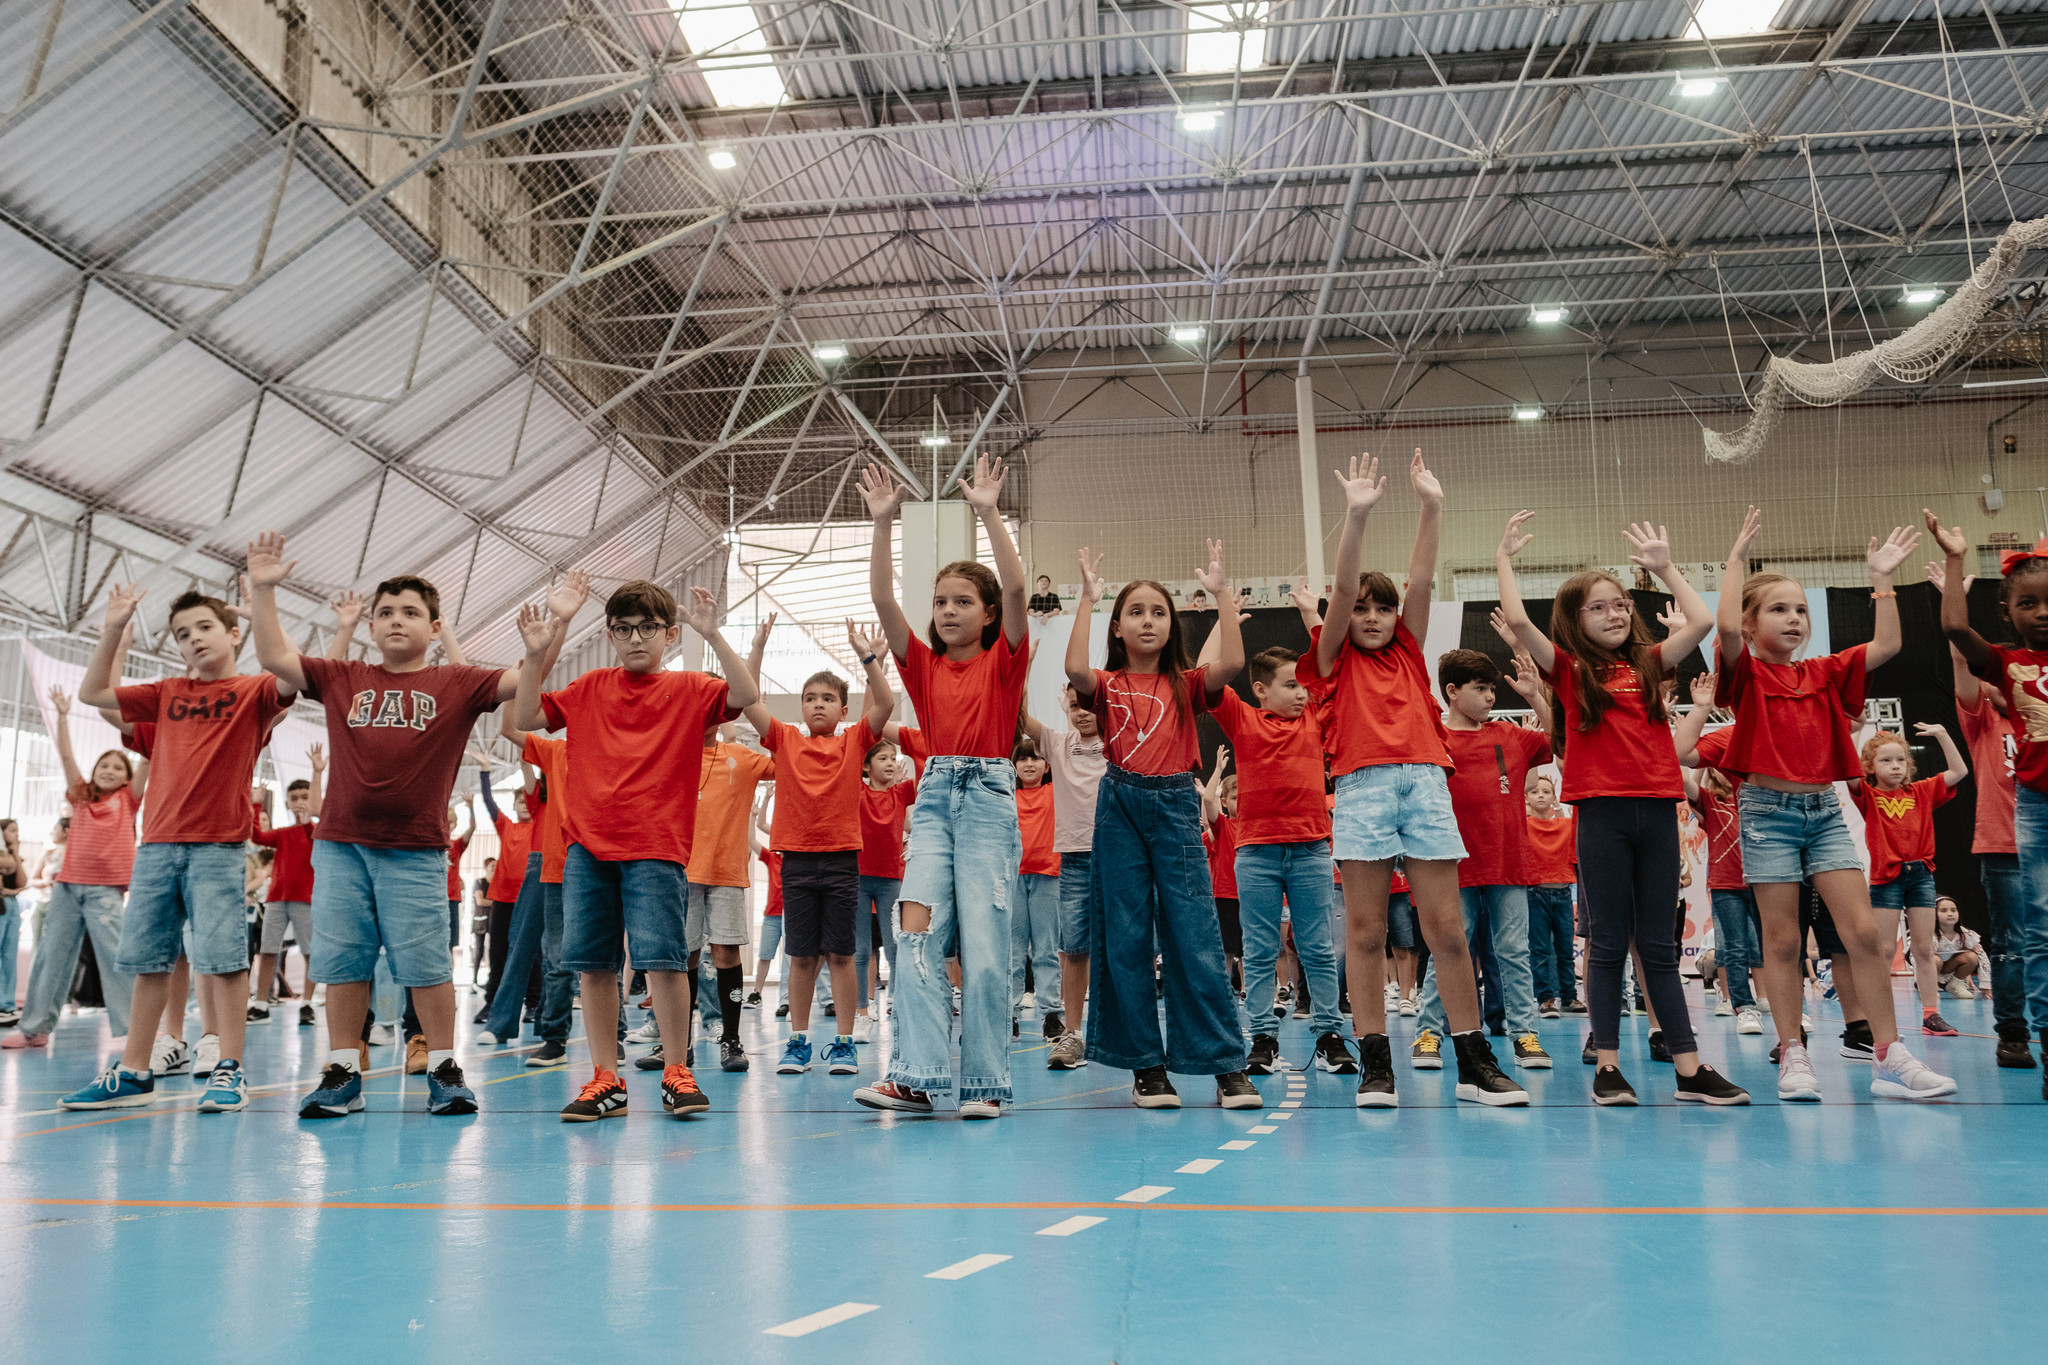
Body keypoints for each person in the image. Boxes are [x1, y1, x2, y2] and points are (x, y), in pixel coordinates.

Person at [249, 533, 561, 1119]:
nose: (396, 620)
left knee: (425, 964)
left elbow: (525, 687)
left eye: (410, 613)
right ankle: (342, 1069)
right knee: (342, 960)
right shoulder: (343, 676)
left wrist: (546, 642)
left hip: (416, 851)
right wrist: (264, 590)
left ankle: (443, 1066)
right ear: (371, 626)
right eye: (386, 612)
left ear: (434, 625)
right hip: (341, 846)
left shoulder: (455, 684)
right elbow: (274, 659)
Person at [1692, 506, 1950, 1102]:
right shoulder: (1747, 676)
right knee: (1780, 941)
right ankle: (1794, 1053)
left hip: (1824, 814)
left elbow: (1888, 642)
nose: (1794, 618)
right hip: (1766, 815)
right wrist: (1734, 562)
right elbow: (1725, 634)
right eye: (1779, 609)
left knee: (1865, 936)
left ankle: (1888, 1055)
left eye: (1801, 609)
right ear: (1753, 623)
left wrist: (1881, 579)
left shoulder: (1826, 671)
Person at [1497, 504, 1751, 1107]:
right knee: (1609, 942)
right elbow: (1516, 618)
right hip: (1603, 816)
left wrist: (1665, 569)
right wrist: (1504, 559)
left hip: (1659, 811)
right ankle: (1607, 1066)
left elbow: (1699, 621)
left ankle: (1688, 1068)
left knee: (1659, 946)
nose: (1613, 613)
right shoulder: (1570, 670)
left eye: (1620, 604)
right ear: (1574, 619)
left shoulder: (1647, 662)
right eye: (1598, 606)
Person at [1306, 452, 1522, 1108]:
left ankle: (1472, 1057)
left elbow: (1422, 580)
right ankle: (1377, 1059)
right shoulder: (1327, 659)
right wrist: (1357, 516)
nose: (1372, 615)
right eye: (1362, 608)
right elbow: (1342, 592)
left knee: (1447, 928)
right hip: (1363, 785)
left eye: (1383, 608)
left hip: (1425, 783)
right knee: (1367, 930)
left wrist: (1431, 505)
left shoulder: (1405, 649)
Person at [513, 574, 759, 1122]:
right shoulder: (591, 687)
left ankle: (677, 1069)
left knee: (665, 961)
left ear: (669, 634)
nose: (635, 639)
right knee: (594, 966)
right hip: (586, 850)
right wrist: (541, 648)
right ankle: (606, 1077)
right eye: (622, 630)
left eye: (648, 628)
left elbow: (745, 696)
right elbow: (524, 717)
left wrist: (714, 634)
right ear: (610, 635)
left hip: (656, 848)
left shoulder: (692, 690)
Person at [57, 586, 290, 1112]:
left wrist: (266, 607)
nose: (193, 639)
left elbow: (295, 674)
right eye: (183, 634)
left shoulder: (253, 690)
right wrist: (114, 628)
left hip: (218, 847)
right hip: (158, 846)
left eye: (204, 627)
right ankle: (135, 1070)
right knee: (150, 960)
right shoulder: (166, 693)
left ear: (233, 634)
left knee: (225, 959)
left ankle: (230, 1068)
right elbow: (95, 695)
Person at [852, 455, 1032, 1120]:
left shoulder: (1004, 663)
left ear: (987, 615)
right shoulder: (923, 667)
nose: (948, 610)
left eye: (963, 601)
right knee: (916, 934)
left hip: (986, 796)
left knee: (985, 948)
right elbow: (881, 599)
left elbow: (1016, 591)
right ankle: (918, 1075)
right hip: (933, 803)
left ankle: (985, 1082)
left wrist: (987, 512)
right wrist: (882, 525)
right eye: (940, 601)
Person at [1057, 536, 1261, 1112]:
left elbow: (1236, 664)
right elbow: (1074, 666)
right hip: (1119, 804)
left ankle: (1225, 1065)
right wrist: (1088, 599)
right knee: (1123, 937)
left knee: (1195, 937)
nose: (1147, 621)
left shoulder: (1187, 683)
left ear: (1172, 626)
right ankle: (1147, 1067)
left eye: (1158, 612)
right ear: (1118, 627)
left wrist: (1221, 595)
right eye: (1135, 612)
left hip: (1174, 806)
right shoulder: (1105, 684)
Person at [742, 621, 892, 1080]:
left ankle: (845, 1043)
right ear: (801, 708)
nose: (818, 704)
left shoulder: (853, 742)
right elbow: (748, 700)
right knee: (802, 956)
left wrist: (870, 660)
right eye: (811, 698)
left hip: (844, 860)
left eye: (827, 698)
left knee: (843, 955)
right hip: (798, 862)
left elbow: (884, 703)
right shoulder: (785, 739)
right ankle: (799, 1041)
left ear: (843, 709)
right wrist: (758, 646)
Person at [1210, 643, 1353, 1078]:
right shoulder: (1242, 719)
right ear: (1260, 690)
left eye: (1303, 686)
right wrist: (1222, 610)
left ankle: (1330, 1036)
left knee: (1318, 948)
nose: (1301, 695)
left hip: (1311, 849)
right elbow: (1205, 675)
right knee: (1259, 949)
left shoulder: (1314, 717)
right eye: (1290, 686)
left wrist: (1313, 614)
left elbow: (1329, 666)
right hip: (1256, 852)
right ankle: (1263, 1038)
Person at [1419, 648, 1553, 1073]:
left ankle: (1524, 1035)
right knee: (1448, 949)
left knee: (1514, 952)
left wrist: (1535, 696)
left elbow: (1567, 738)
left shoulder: (1513, 736)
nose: (1491, 697)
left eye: (1493, 688)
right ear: (1453, 692)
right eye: (1481, 689)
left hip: (1508, 864)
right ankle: (1428, 1032)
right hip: (1450, 868)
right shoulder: (1432, 741)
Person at [1932, 555, 2033, 1067]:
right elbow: (1963, 664)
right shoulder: (1981, 723)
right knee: (2013, 942)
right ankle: (2012, 1031)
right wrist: (1956, 598)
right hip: (2004, 845)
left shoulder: (2032, 713)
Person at [5, 691, 145, 1052]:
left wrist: (150, 732)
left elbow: (147, 760)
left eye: (118, 767)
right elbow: (66, 756)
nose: (110, 771)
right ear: (95, 772)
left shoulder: (128, 799)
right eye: (104, 766)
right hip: (68, 887)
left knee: (113, 957)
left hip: (105, 890)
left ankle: (131, 1030)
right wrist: (63, 717)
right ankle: (35, 1028)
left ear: (127, 777)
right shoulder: (81, 796)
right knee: (51, 956)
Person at [1852, 725, 1968, 1036]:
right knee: (1885, 949)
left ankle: (1931, 1015)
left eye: (1900, 760)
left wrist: (1943, 734)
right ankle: (1881, 1018)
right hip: (1887, 878)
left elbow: (1959, 770)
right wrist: (1851, 731)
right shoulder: (1868, 794)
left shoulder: (1922, 791)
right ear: (1870, 768)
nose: (1895, 766)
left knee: (1923, 948)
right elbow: (1848, 771)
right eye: (1886, 761)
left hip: (1920, 875)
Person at [1021, 684, 1107, 1069]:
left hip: (1119, 856)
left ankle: (1126, 1035)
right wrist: (1021, 668)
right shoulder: (1057, 744)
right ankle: (1072, 1034)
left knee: (1125, 947)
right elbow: (1021, 718)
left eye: (1089, 705)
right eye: (1074, 706)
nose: (1082, 712)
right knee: (1073, 948)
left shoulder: (1120, 744)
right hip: (1073, 859)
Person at [682, 715, 774, 1073]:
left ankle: (732, 1039)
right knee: (684, 956)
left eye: (711, 706)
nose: (702, 714)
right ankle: (679, 1042)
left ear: (722, 713)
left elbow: (787, 763)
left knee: (725, 952)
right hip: (681, 870)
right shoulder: (672, 754)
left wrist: (759, 714)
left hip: (726, 871)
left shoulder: (741, 757)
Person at [1673, 684, 1763, 1036]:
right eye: (1718, 765)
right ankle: (1743, 1004)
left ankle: (1785, 1005)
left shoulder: (1755, 798)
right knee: (1734, 948)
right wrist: (1690, 720)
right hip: (1726, 884)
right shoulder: (1713, 803)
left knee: (1776, 944)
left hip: (1764, 877)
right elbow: (1683, 775)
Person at [251, 751, 322, 1026]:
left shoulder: (316, 831)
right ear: (287, 803)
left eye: (305, 797)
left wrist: (307, 824)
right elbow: (257, 836)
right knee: (268, 950)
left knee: (309, 952)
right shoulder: (282, 834)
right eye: (294, 798)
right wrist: (257, 806)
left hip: (305, 900)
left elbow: (317, 847)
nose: (300, 802)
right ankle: (261, 1003)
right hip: (276, 899)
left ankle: (307, 1003)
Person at [474, 766, 535, 1038]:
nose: (523, 805)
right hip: (502, 899)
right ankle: (491, 1004)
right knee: (497, 953)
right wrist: (486, 773)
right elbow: (489, 802)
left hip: (530, 898)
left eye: (526, 800)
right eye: (519, 801)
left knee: (533, 954)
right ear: (513, 805)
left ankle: (533, 1003)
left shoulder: (541, 826)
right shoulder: (506, 826)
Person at [853, 740, 908, 1036]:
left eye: (893, 758)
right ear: (865, 766)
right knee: (861, 950)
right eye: (882, 758)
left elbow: (926, 771)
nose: (890, 762)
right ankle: (862, 1011)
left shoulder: (901, 793)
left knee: (896, 946)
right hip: (859, 879)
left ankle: (898, 1004)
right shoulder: (857, 791)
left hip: (890, 881)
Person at [1010, 734, 1061, 1039]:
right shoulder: (1005, 795)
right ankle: (1010, 1015)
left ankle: (1051, 1014)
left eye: (1036, 758)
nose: (1029, 763)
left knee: (1046, 951)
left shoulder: (1056, 792)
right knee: (1013, 953)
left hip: (1048, 876)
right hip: (1013, 878)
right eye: (1023, 758)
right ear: (1014, 765)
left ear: (1047, 765)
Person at [1524, 773, 1580, 1017]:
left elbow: (1573, 829)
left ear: (1554, 797)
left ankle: (1569, 997)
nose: (1541, 796)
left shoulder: (1565, 824)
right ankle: (1546, 998)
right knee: (1540, 950)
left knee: (1565, 949)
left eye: (1546, 791)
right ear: (1526, 797)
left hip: (1563, 893)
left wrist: (1559, 809)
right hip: (1535, 894)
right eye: (1535, 791)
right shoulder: (1523, 824)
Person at [1930, 896, 1987, 996]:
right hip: (1929, 972)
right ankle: (1931, 988)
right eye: (1943, 911)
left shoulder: (1966, 935)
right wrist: (1924, 982)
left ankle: (1955, 984)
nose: (1950, 914)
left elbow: (1982, 957)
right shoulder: (1930, 936)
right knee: (1935, 960)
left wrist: (1986, 986)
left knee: (1972, 957)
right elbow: (1918, 959)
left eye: (1953, 910)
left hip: (1948, 969)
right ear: (1934, 915)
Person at [0, 820, 25, 1027]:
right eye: (12, 830)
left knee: (9, 956)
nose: (17, 834)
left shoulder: (12, 854)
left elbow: (21, 882)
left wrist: (16, 851)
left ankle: (7, 1004)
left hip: (12, 906)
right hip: (2, 904)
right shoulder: (3, 858)